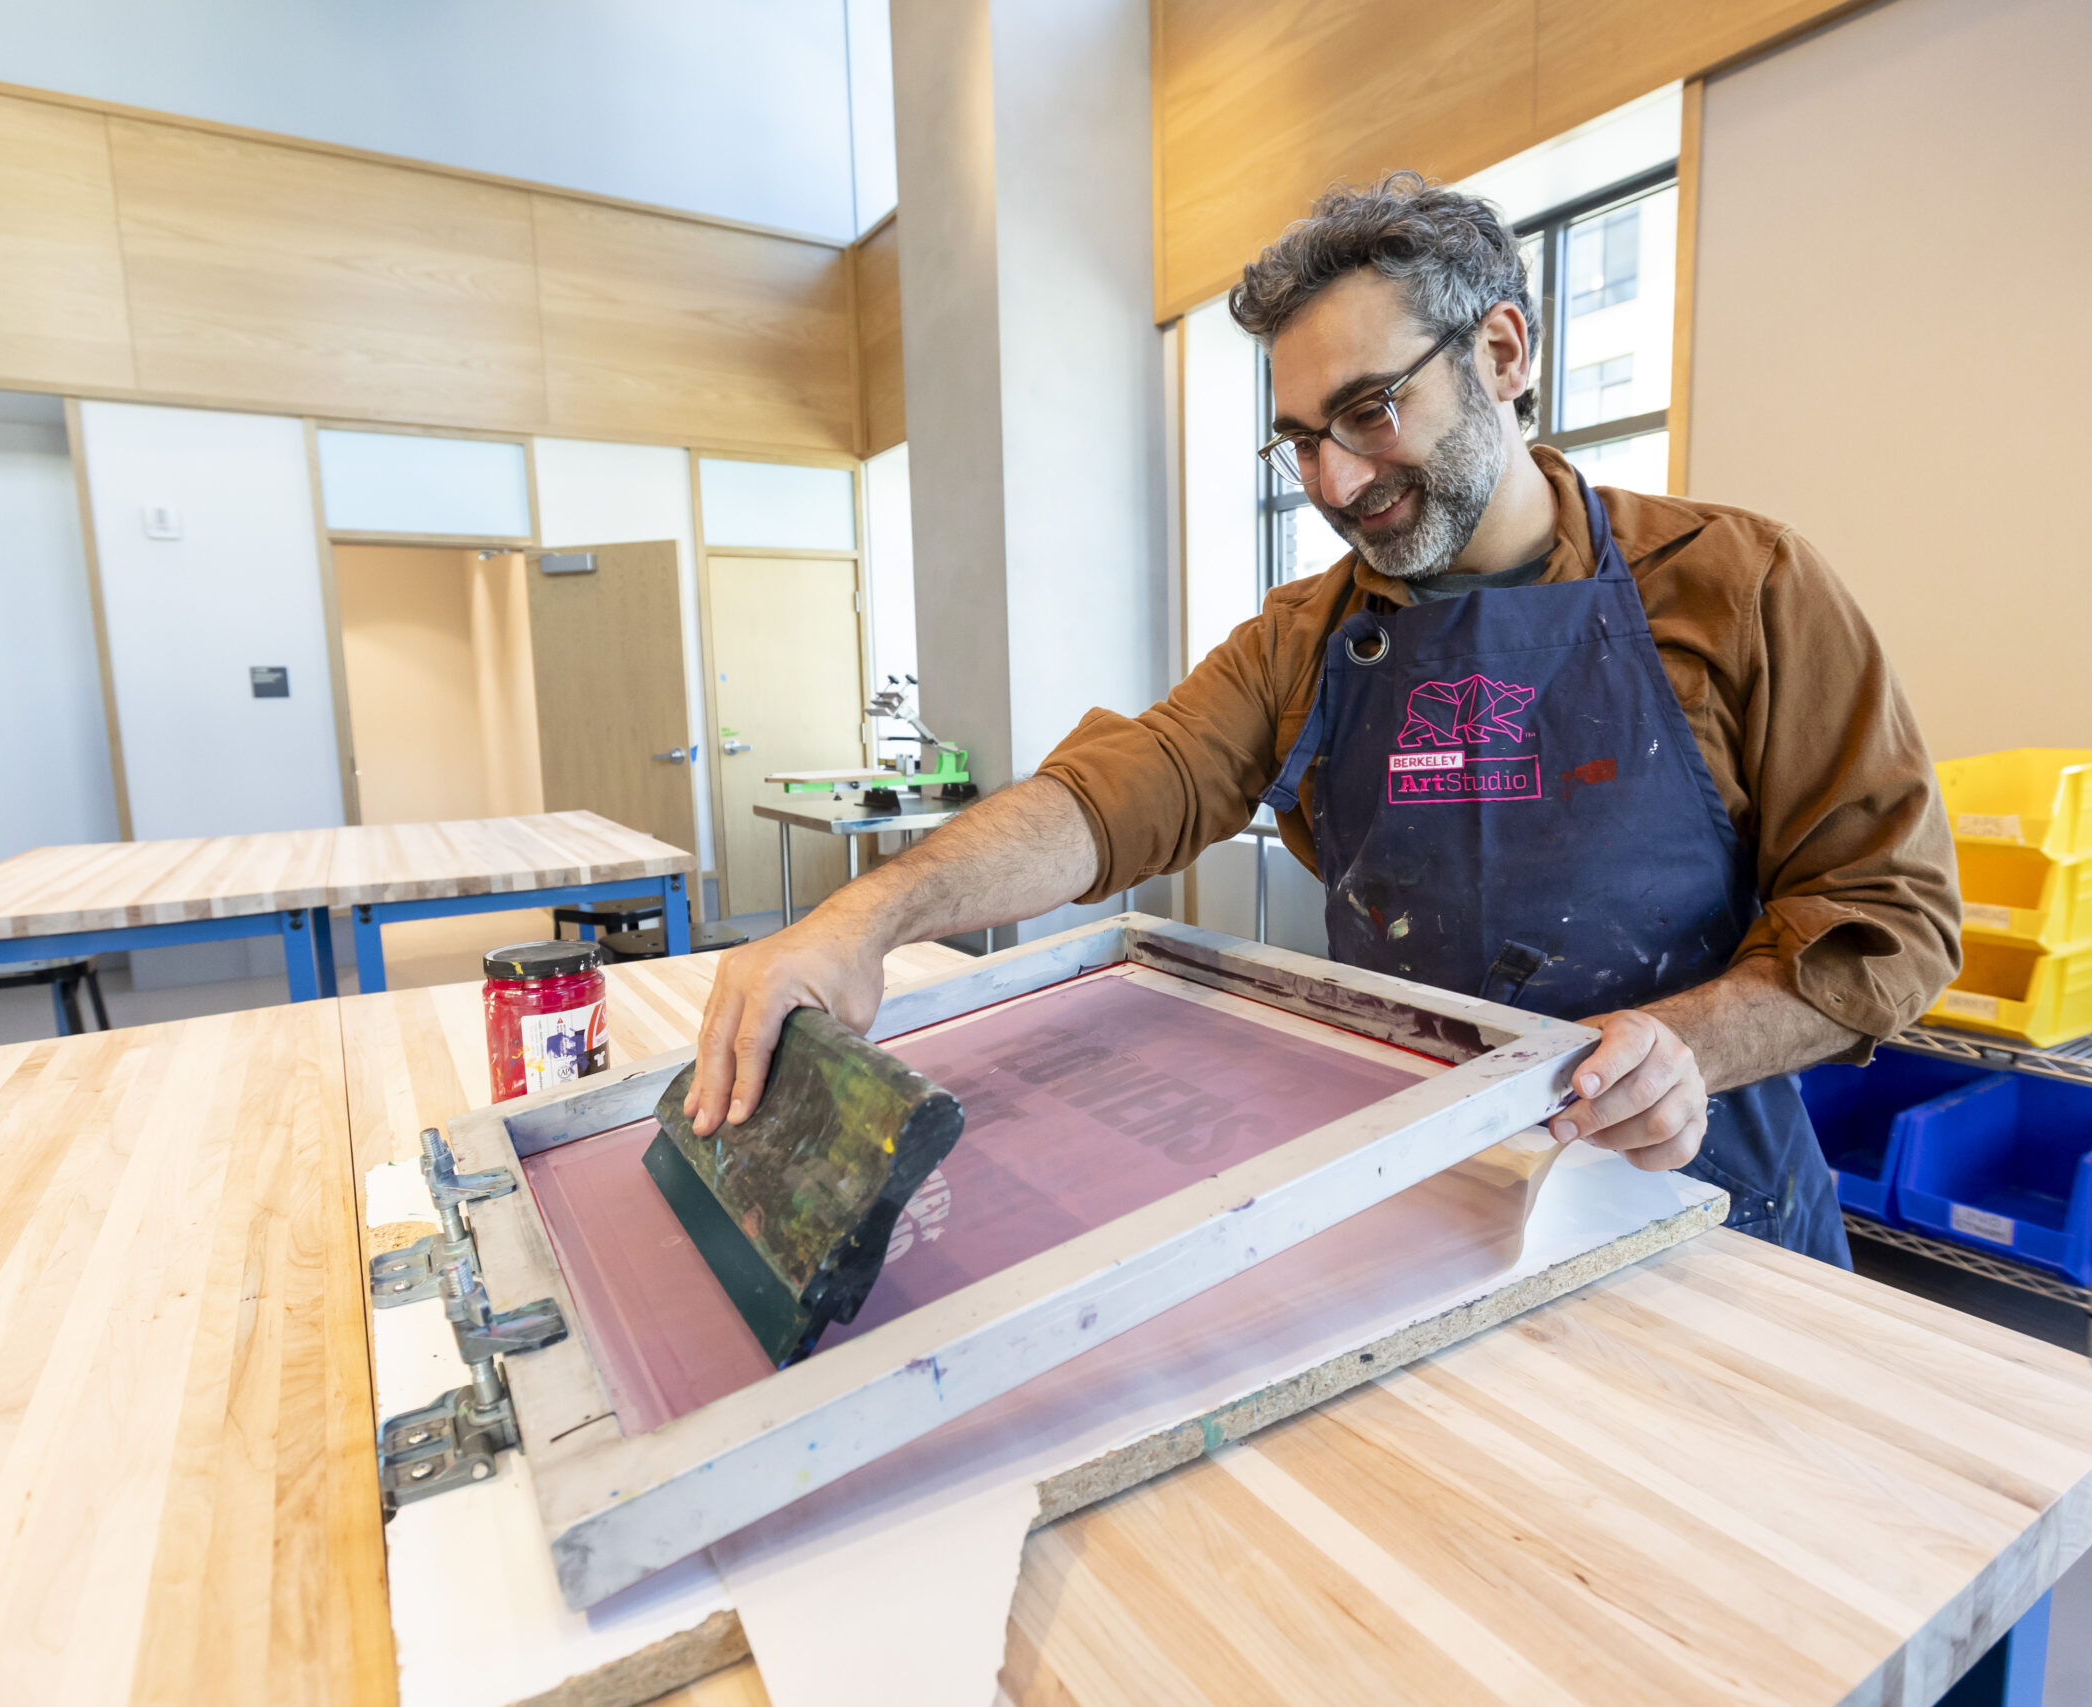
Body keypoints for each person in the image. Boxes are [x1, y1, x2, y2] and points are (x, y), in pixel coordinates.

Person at [682, 173, 1958, 1265]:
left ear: (1503, 354)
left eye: (1369, 410)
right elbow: (1120, 792)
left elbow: (1890, 925)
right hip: (1421, 1197)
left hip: (1700, 1200)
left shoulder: (1742, 587)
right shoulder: (1306, 638)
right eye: (1298, 441)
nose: (1335, 484)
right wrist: (864, 919)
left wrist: (1686, 1044)